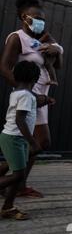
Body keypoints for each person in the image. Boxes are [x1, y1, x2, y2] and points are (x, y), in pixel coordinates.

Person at [0, 0, 63, 198]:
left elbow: (58, 65)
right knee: (41, 141)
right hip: (28, 98)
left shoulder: (41, 39)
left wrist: (56, 49)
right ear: (24, 17)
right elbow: (4, 67)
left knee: (37, 143)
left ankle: (19, 183)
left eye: (42, 18)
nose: (40, 21)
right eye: (36, 17)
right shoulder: (17, 37)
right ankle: (12, 180)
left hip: (40, 98)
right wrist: (25, 92)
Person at [0, 61, 41, 220]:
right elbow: (20, 120)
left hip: (15, 138)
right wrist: (32, 142)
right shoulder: (25, 95)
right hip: (15, 138)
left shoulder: (16, 92)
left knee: (19, 173)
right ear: (35, 78)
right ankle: (7, 206)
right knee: (17, 175)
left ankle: (8, 207)